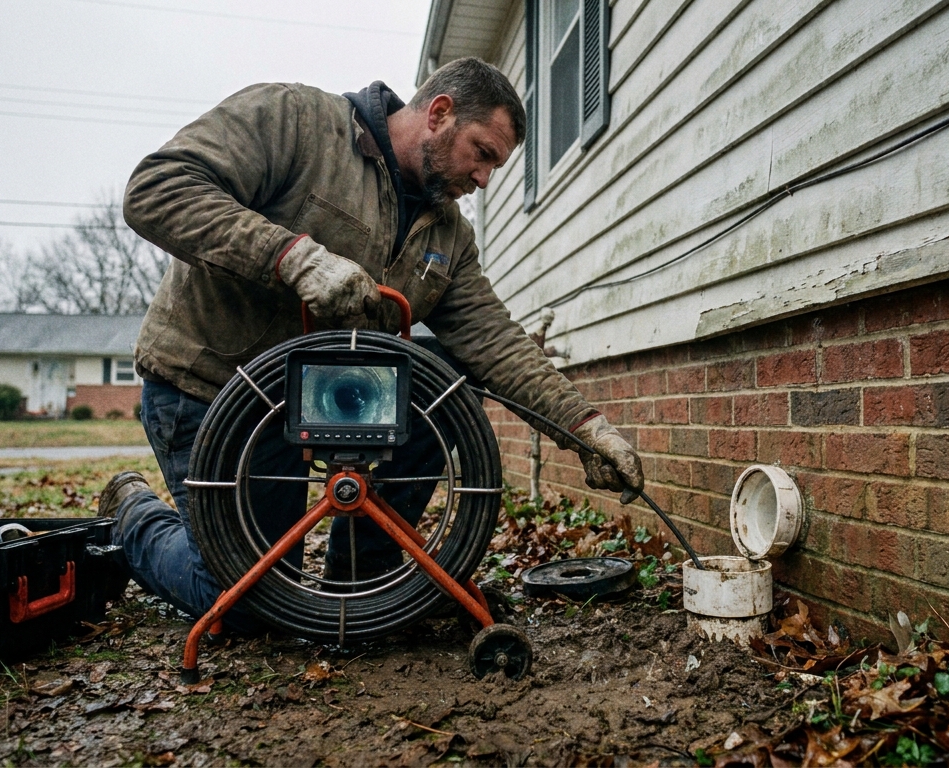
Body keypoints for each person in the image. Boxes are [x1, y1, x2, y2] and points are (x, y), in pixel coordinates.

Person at [99, 57, 643, 631]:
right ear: (439, 113)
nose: (484, 179)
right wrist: (292, 258)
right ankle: (131, 511)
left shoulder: (448, 235)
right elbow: (157, 189)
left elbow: (494, 342)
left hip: (314, 407)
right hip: (210, 393)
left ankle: (363, 572)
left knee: (447, 373)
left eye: (495, 167)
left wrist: (584, 429)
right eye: (482, 154)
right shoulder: (296, 123)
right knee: (245, 600)